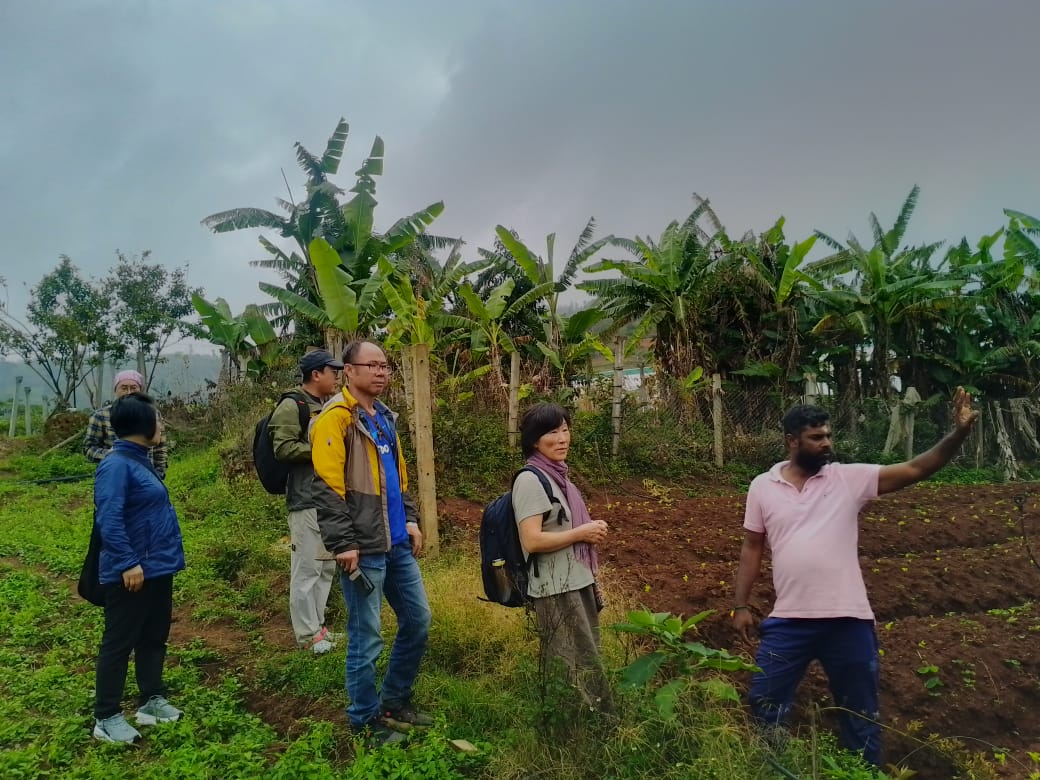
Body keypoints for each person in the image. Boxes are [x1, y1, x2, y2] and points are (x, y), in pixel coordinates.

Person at [732, 388, 979, 765]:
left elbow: (916, 469)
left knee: (860, 712)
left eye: (828, 435)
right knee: (765, 700)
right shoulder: (762, 486)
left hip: (848, 620)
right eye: (816, 438)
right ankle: (775, 768)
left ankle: (864, 773)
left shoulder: (847, 479)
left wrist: (957, 434)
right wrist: (741, 605)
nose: (826, 443)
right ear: (791, 441)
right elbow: (752, 547)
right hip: (789, 620)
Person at [310, 340, 432, 746]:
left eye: (385, 366)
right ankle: (364, 719)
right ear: (349, 370)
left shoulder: (383, 417)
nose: (381, 372)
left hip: (395, 542)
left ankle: (395, 699)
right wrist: (343, 543)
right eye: (372, 365)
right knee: (367, 636)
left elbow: (399, 477)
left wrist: (411, 520)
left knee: (418, 620)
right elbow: (327, 488)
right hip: (363, 547)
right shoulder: (335, 419)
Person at [92, 392, 185, 744]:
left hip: (158, 568)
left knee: (153, 636)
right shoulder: (116, 465)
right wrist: (128, 562)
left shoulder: (139, 459)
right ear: (142, 424)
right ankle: (107, 716)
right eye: (157, 419)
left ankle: (151, 701)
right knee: (119, 642)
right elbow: (109, 518)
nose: (161, 425)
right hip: (131, 572)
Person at [513, 403, 612, 714]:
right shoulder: (531, 480)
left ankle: (592, 717)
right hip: (556, 588)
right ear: (534, 441)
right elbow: (532, 539)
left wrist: (587, 530)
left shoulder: (559, 478)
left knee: (587, 654)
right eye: (552, 432)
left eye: (565, 430)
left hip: (575, 581)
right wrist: (581, 533)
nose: (562, 438)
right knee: (569, 659)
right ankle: (579, 723)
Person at [270, 349, 342, 654]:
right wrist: (322, 450)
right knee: (306, 569)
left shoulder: (326, 405)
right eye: (332, 371)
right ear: (316, 374)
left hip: (328, 499)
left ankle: (319, 629)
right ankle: (306, 635)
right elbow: (283, 448)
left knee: (325, 567)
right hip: (305, 499)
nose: (337, 377)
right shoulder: (293, 405)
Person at [84, 370, 169, 479]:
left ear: (140, 391)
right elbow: (89, 448)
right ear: (115, 390)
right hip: (114, 475)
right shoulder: (101, 416)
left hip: (147, 475)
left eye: (134, 388)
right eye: (123, 388)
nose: (129, 392)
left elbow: (160, 447)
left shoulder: (152, 413)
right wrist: (113, 454)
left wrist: (159, 473)